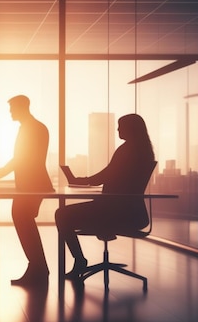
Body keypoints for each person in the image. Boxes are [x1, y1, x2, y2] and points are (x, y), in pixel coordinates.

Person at [56, 113, 156, 279]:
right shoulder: (144, 151)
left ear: (130, 129)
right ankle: (84, 255)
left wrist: (80, 180)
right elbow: (116, 180)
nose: (117, 129)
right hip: (131, 213)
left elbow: (105, 176)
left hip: (113, 212)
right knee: (67, 214)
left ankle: (80, 260)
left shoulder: (127, 150)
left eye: (120, 126)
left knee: (61, 215)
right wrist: (86, 182)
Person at [0, 95, 54, 286]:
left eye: (12, 108)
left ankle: (38, 269)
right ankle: (38, 268)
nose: (10, 112)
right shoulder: (32, 127)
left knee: (23, 219)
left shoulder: (32, 128)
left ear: (22, 107)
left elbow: (18, 160)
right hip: (29, 184)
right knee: (24, 221)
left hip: (33, 185)